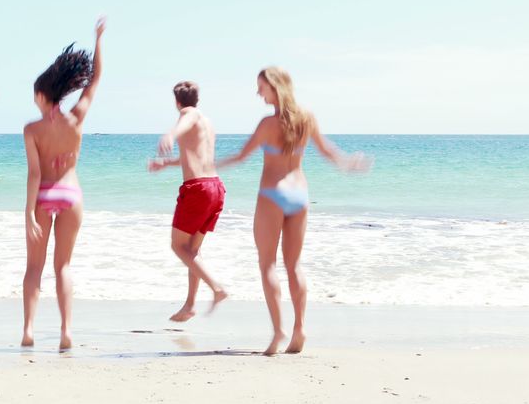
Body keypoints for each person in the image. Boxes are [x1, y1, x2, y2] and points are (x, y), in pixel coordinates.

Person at [218, 66, 371, 355]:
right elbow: (329, 153)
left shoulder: (267, 124)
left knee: (268, 265)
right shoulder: (307, 118)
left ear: (275, 87)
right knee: (294, 265)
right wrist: (350, 163)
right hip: (299, 194)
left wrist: (207, 166)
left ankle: (278, 333)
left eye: (261, 87)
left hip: (272, 193)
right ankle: (300, 328)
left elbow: (240, 157)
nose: (257, 92)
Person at [21, 16, 104, 351]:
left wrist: (29, 212)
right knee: (63, 266)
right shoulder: (77, 118)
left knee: (34, 268)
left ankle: (28, 330)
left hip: (42, 196)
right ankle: (66, 331)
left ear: (42, 94)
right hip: (71, 193)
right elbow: (95, 80)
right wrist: (98, 40)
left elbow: (35, 174)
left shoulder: (32, 130)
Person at [148, 81, 228, 322]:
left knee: (178, 246)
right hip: (216, 187)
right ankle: (190, 305)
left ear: (177, 101)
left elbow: (185, 121)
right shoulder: (208, 122)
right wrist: (166, 163)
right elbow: (194, 156)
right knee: (192, 250)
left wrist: (170, 135)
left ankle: (216, 288)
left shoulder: (187, 113)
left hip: (197, 189)